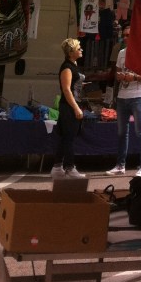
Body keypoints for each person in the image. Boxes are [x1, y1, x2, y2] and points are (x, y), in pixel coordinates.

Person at [106, 22, 141, 178]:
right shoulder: (122, 53)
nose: (126, 38)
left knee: (140, 132)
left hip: (137, 97)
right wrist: (121, 76)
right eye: (124, 35)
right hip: (122, 96)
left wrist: (134, 77)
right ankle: (120, 165)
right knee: (122, 133)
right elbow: (116, 73)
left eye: (128, 35)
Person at [51, 37, 86, 178]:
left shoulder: (74, 64)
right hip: (68, 106)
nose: (81, 50)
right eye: (78, 48)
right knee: (69, 138)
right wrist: (76, 108)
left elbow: (72, 85)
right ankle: (70, 167)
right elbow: (66, 89)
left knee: (65, 136)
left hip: (73, 103)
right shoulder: (67, 67)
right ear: (71, 52)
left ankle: (57, 167)